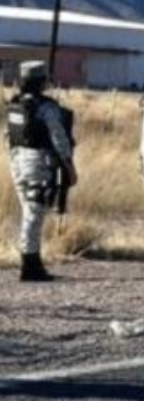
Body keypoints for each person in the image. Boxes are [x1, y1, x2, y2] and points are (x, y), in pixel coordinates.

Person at [4, 61, 76, 282]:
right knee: (35, 212)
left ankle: (31, 261)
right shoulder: (45, 107)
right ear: (41, 81)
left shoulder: (16, 103)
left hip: (17, 159)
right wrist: (69, 165)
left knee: (29, 210)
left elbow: (10, 135)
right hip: (37, 161)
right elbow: (59, 137)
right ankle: (31, 265)